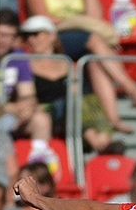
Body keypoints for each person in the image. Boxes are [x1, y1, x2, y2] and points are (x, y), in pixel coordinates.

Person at [26, 0, 136, 134]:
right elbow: (42, 17)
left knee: (95, 61)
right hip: (52, 37)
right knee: (93, 38)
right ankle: (131, 88)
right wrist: (72, 21)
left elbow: (94, 17)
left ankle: (113, 119)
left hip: (81, 37)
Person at [19, 14, 121, 156]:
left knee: (86, 101)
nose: (31, 39)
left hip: (71, 117)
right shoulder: (24, 65)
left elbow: (77, 95)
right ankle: (100, 143)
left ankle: (100, 139)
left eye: (36, 34)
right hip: (45, 113)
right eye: (26, 36)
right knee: (71, 103)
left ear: (52, 36)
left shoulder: (67, 64)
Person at [0, 7, 53, 148]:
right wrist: (11, 108)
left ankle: (39, 160)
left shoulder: (18, 57)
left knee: (41, 120)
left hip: (5, 116)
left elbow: (28, 94)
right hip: (3, 112)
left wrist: (27, 108)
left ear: (15, 38)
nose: (1, 40)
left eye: (8, 36)